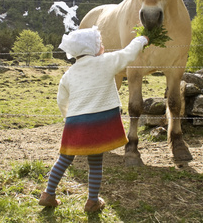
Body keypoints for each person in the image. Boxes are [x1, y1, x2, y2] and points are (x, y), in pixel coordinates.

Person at [38, 26, 148, 212]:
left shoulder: (68, 74)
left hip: (75, 122)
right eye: (100, 43)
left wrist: (68, 118)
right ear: (91, 48)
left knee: (64, 158)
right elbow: (127, 54)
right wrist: (142, 40)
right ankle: (92, 201)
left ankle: (48, 193)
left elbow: (61, 100)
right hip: (98, 122)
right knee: (95, 161)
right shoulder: (105, 62)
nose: (103, 46)